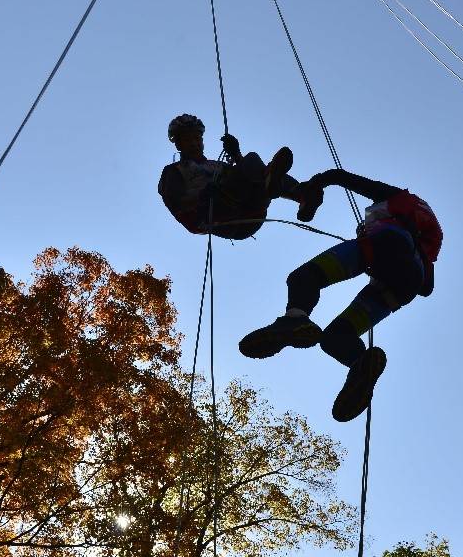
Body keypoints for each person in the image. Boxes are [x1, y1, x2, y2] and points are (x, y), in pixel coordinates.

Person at [239, 168, 442, 421]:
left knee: (304, 278)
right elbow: (426, 288)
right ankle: (360, 365)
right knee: (335, 338)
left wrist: (318, 182)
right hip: (407, 284)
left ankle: (295, 318)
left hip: (386, 244)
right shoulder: (431, 233)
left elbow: (345, 177)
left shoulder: (398, 198)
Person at [158, 114, 323, 240]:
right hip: (216, 215)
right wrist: (201, 197)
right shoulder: (174, 171)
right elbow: (175, 202)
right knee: (253, 162)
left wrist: (236, 154)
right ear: (178, 144)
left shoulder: (216, 165)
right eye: (187, 140)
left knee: (256, 167)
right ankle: (276, 185)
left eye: (197, 138)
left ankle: (301, 196)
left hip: (250, 213)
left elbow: (246, 174)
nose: (194, 143)